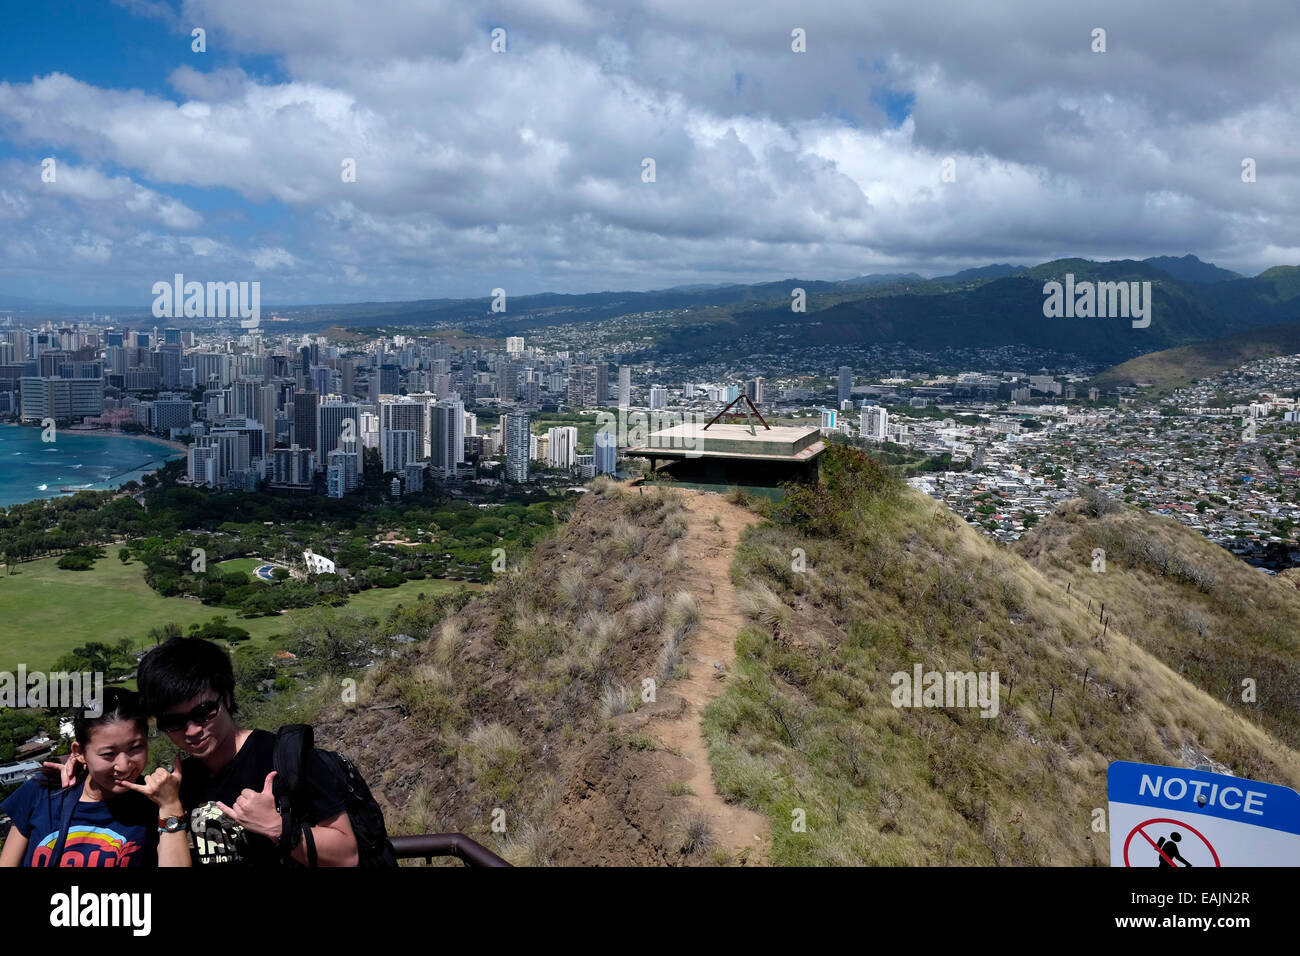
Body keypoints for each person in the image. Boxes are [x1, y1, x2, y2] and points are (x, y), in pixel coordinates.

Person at [137, 636, 359, 867]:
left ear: (226, 696)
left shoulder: (286, 759)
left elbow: (347, 854)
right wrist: (170, 807)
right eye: (173, 721)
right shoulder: (177, 785)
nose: (191, 731)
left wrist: (275, 826)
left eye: (203, 712)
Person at [0, 688, 189, 868]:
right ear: (79, 752)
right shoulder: (43, 791)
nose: (124, 765)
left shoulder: (155, 805)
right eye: (108, 753)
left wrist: (170, 806)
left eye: (135, 748)